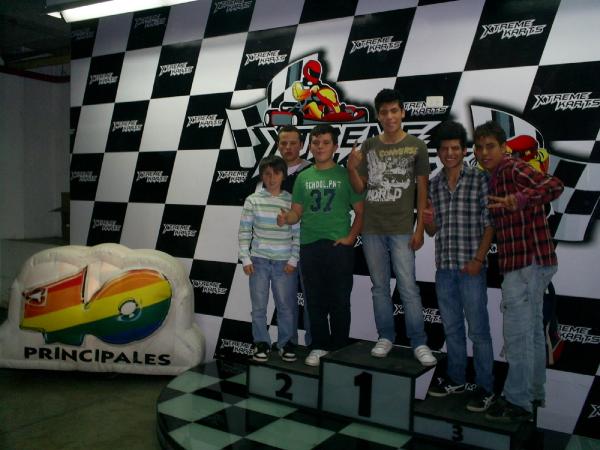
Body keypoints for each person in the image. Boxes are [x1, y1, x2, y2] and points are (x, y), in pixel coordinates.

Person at [473, 120, 564, 422]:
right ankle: (533, 393)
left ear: (504, 148)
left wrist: (522, 198)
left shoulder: (512, 168)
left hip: (528, 262)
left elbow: (555, 185)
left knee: (518, 335)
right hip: (529, 262)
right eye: (479, 147)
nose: (484, 153)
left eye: (491, 146)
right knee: (533, 331)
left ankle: (517, 401)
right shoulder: (494, 177)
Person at [347, 88, 436, 366]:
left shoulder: (417, 146)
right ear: (378, 115)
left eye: (394, 110)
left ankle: (419, 341)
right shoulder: (369, 146)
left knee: (408, 287)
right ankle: (385, 336)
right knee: (379, 287)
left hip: (401, 228)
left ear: (402, 112)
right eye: (384, 112)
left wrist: (419, 229)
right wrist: (351, 168)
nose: (389, 116)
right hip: (372, 228)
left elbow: (422, 191)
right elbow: (359, 188)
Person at [423, 121, 495, 412]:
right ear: (439, 152)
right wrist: (428, 222)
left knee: (478, 331)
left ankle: (486, 387)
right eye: (444, 149)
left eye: (455, 148)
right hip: (444, 268)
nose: (450, 153)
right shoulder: (434, 184)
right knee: (452, 329)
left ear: (464, 151)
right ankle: (456, 379)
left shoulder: (480, 179)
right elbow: (432, 231)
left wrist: (478, 260)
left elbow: (490, 224)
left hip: (471, 269)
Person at [278, 124, 364, 367]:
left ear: (335, 147)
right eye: (315, 142)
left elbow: (361, 211)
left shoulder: (345, 175)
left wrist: (351, 238)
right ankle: (318, 346)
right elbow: (296, 212)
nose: (320, 147)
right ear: (310, 146)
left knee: (339, 300)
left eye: (326, 142)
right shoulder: (303, 177)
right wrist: (287, 218)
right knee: (314, 301)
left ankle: (339, 348)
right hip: (309, 245)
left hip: (338, 247)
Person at [238, 155, 299, 363]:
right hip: (259, 262)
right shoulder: (252, 200)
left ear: (284, 175)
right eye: (267, 174)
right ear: (262, 176)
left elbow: (298, 233)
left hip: (285, 263)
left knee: (286, 307)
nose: (271, 178)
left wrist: (293, 259)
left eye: (276, 173)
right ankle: (261, 343)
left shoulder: (291, 201)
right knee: (259, 307)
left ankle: (285, 343)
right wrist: (245, 258)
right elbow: (244, 231)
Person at [277, 125, 312, 346]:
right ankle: (287, 344)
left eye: (293, 143)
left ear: (301, 145)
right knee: (285, 300)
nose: (288, 147)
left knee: (312, 301)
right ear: (278, 145)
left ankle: (314, 345)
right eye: (284, 143)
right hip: (280, 246)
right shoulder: (271, 172)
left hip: (308, 243)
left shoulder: (313, 170)